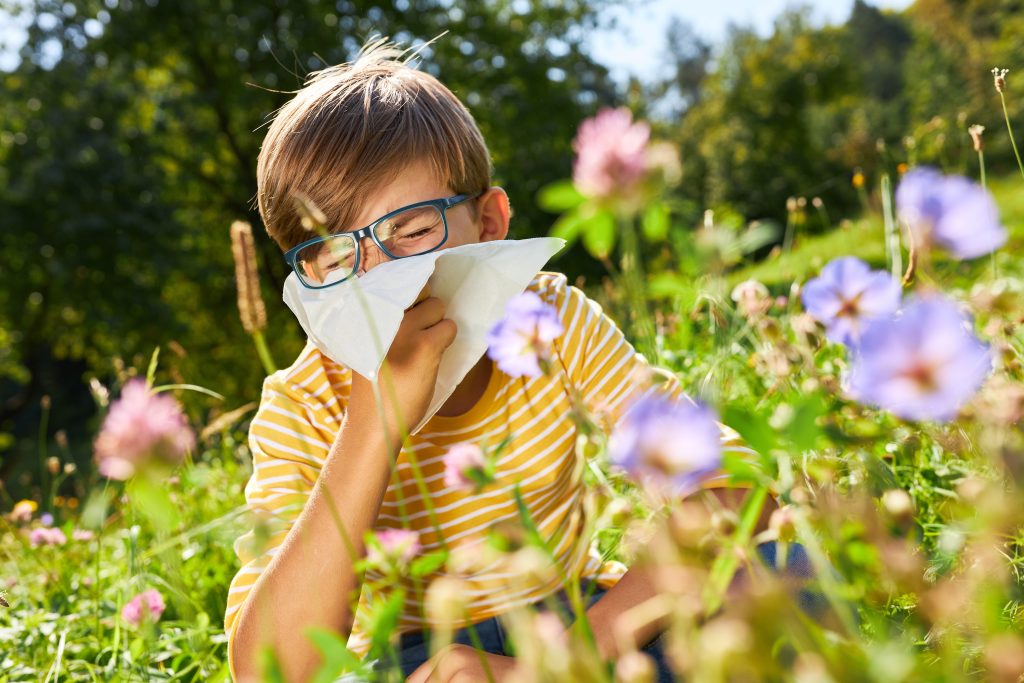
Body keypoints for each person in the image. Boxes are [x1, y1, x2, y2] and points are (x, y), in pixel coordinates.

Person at [224, 37, 773, 683]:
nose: (383, 280)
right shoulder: (304, 399)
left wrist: (555, 662)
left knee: (776, 580)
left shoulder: (547, 321)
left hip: (579, 622)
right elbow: (269, 669)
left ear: (489, 223)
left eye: (413, 230)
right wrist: (373, 422)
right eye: (338, 257)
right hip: (419, 659)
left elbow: (732, 488)